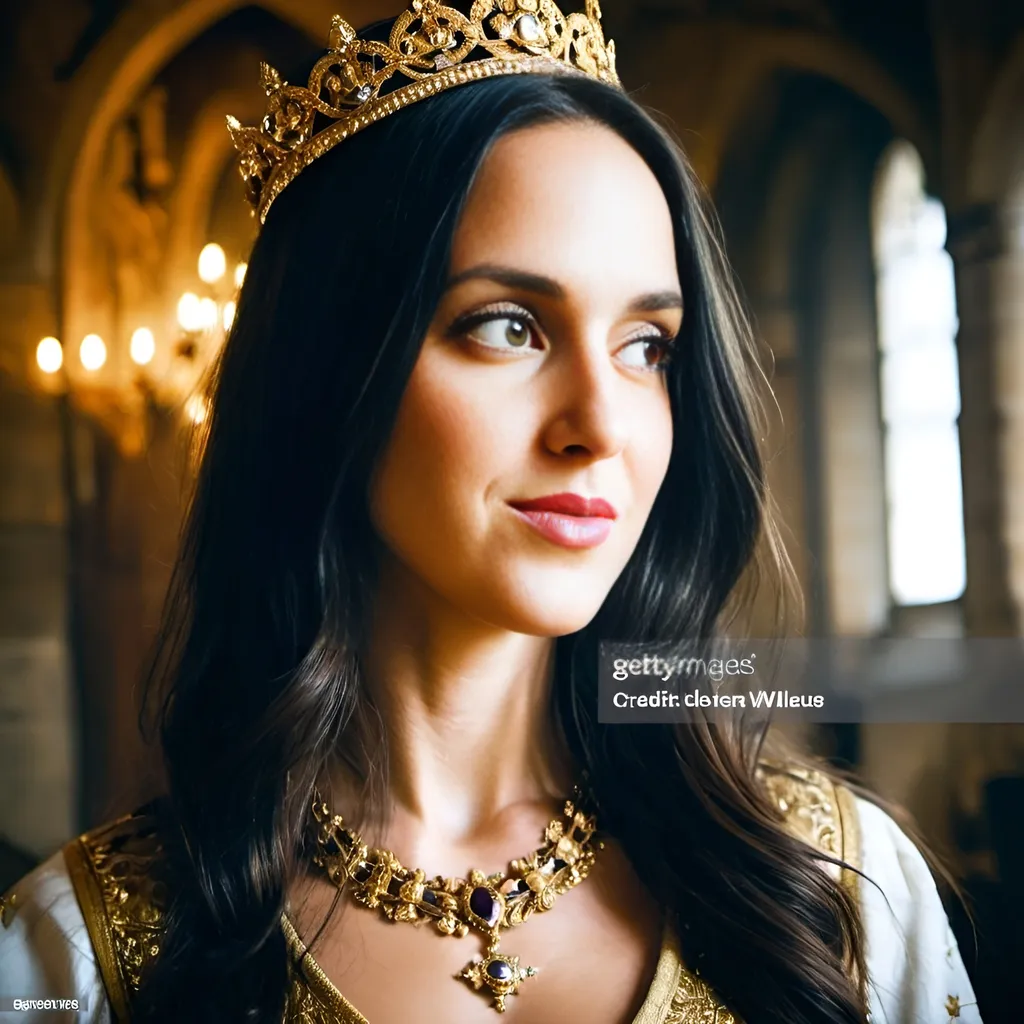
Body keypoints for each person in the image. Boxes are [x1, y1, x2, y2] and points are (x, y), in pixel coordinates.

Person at [0, 3, 982, 1022]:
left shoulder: (840, 896)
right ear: (330, 372)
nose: (600, 425)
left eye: (647, 345)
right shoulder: (77, 962)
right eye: (508, 327)